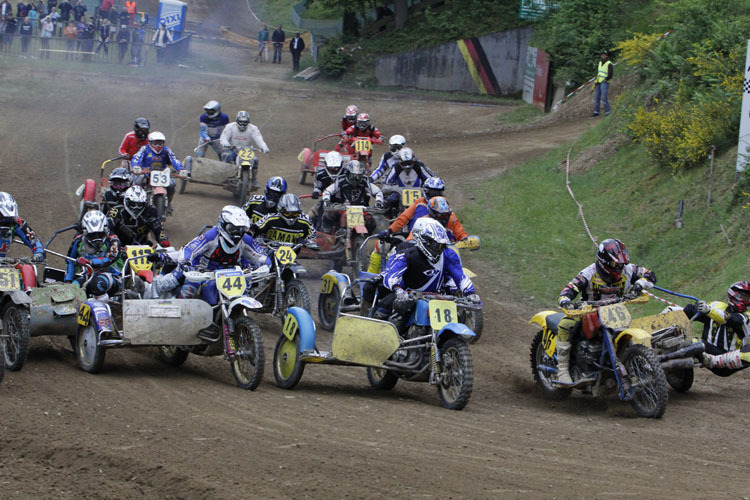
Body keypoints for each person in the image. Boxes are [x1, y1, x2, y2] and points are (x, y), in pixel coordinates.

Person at [555, 238, 656, 384]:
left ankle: (633, 366)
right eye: (616, 264)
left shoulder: (628, 269)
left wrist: (639, 284)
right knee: (566, 325)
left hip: (615, 312)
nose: (620, 267)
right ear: (605, 262)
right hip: (589, 312)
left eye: (622, 263)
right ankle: (562, 369)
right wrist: (566, 300)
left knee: (629, 333)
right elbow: (570, 289)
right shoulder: (589, 273)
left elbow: (650, 275)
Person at [372, 218, 479, 323]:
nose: (439, 249)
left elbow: (460, 277)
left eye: (442, 246)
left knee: (455, 309)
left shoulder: (448, 255)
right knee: (384, 311)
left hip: (436, 296)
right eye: (435, 245)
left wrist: (470, 293)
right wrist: (398, 289)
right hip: (408, 296)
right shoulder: (408, 255)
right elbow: (390, 275)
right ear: (424, 240)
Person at [158, 206, 271, 303]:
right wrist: (186, 261)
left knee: (247, 290)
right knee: (187, 291)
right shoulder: (211, 236)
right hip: (202, 273)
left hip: (230, 276)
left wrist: (265, 264)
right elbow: (189, 248)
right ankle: (181, 317)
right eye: (233, 229)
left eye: (241, 230)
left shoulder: (246, 240)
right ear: (222, 224)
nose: (237, 234)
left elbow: (261, 255)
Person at [681, 282, 750, 375]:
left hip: (730, 362)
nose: (748, 301)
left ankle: (712, 361)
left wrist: (709, 310)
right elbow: (693, 312)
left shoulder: (747, 315)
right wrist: (686, 311)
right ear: (735, 296)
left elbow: (733, 320)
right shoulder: (716, 305)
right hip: (706, 351)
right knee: (690, 342)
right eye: (746, 298)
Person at [64, 210, 122, 297]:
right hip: (88, 276)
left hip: (112, 276)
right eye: (92, 235)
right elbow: (70, 261)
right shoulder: (78, 241)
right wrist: (68, 281)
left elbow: (110, 258)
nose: (96, 238)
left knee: (98, 284)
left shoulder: (113, 241)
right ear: (85, 232)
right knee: (73, 288)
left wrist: (90, 262)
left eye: (100, 234)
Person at [321, 160, 383, 234]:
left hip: (362, 209)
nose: (356, 179)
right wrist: (327, 200)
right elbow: (328, 191)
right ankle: (326, 235)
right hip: (342, 208)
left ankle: (367, 238)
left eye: (358, 176)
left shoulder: (365, 182)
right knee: (328, 215)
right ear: (347, 174)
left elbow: (377, 191)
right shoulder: (340, 182)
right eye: (353, 176)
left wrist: (379, 201)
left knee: (371, 222)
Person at [130, 131, 187, 208]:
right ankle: (134, 201)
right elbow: (136, 157)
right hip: (146, 172)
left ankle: (168, 202)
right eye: (155, 143)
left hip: (163, 172)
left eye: (160, 143)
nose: (158, 146)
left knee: (172, 185)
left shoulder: (166, 150)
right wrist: (136, 166)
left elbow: (174, 159)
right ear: (150, 142)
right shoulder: (144, 149)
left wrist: (180, 169)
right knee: (136, 183)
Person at [219, 110, 269, 188]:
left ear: (248, 122)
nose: (242, 124)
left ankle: (253, 180)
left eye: (245, 122)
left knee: (255, 160)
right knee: (226, 156)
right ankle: (227, 177)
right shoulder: (230, 127)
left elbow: (259, 139)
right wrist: (225, 143)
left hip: (247, 151)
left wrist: (264, 147)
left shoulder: (253, 128)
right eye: (241, 122)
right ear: (237, 121)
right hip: (233, 149)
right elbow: (223, 138)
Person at [379, 146, 434, 213]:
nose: (407, 166)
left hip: (421, 194)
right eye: (404, 163)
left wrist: (426, 189)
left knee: (434, 202)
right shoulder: (395, 168)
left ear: (413, 160)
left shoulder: (419, 166)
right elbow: (385, 184)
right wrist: (395, 189)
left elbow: (433, 179)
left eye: (409, 163)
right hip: (400, 195)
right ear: (399, 161)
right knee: (386, 204)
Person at [0, 192, 45, 262]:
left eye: (9, 219)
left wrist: (39, 253)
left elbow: (34, 240)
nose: (6, 222)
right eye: (2, 218)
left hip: (2, 265)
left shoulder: (17, 222)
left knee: (27, 270)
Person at [309, 150, 344, 227]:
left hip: (346, 201)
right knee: (311, 216)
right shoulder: (320, 175)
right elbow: (318, 187)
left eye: (336, 168)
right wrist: (316, 192)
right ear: (326, 165)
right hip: (327, 200)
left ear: (341, 165)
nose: (334, 170)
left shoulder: (347, 174)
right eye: (331, 168)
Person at [592, 51, 613, 117]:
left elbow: (611, 74)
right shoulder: (600, 62)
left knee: (604, 97)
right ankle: (596, 112)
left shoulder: (609, 63)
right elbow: (599, 73)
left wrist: (606, 80)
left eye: (603, 55)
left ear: (606, 56)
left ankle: (608, 112)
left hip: (605, 82)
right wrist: (596, 81)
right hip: (598, 82)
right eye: (601, 55)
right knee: (597, 97)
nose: (602, 56)